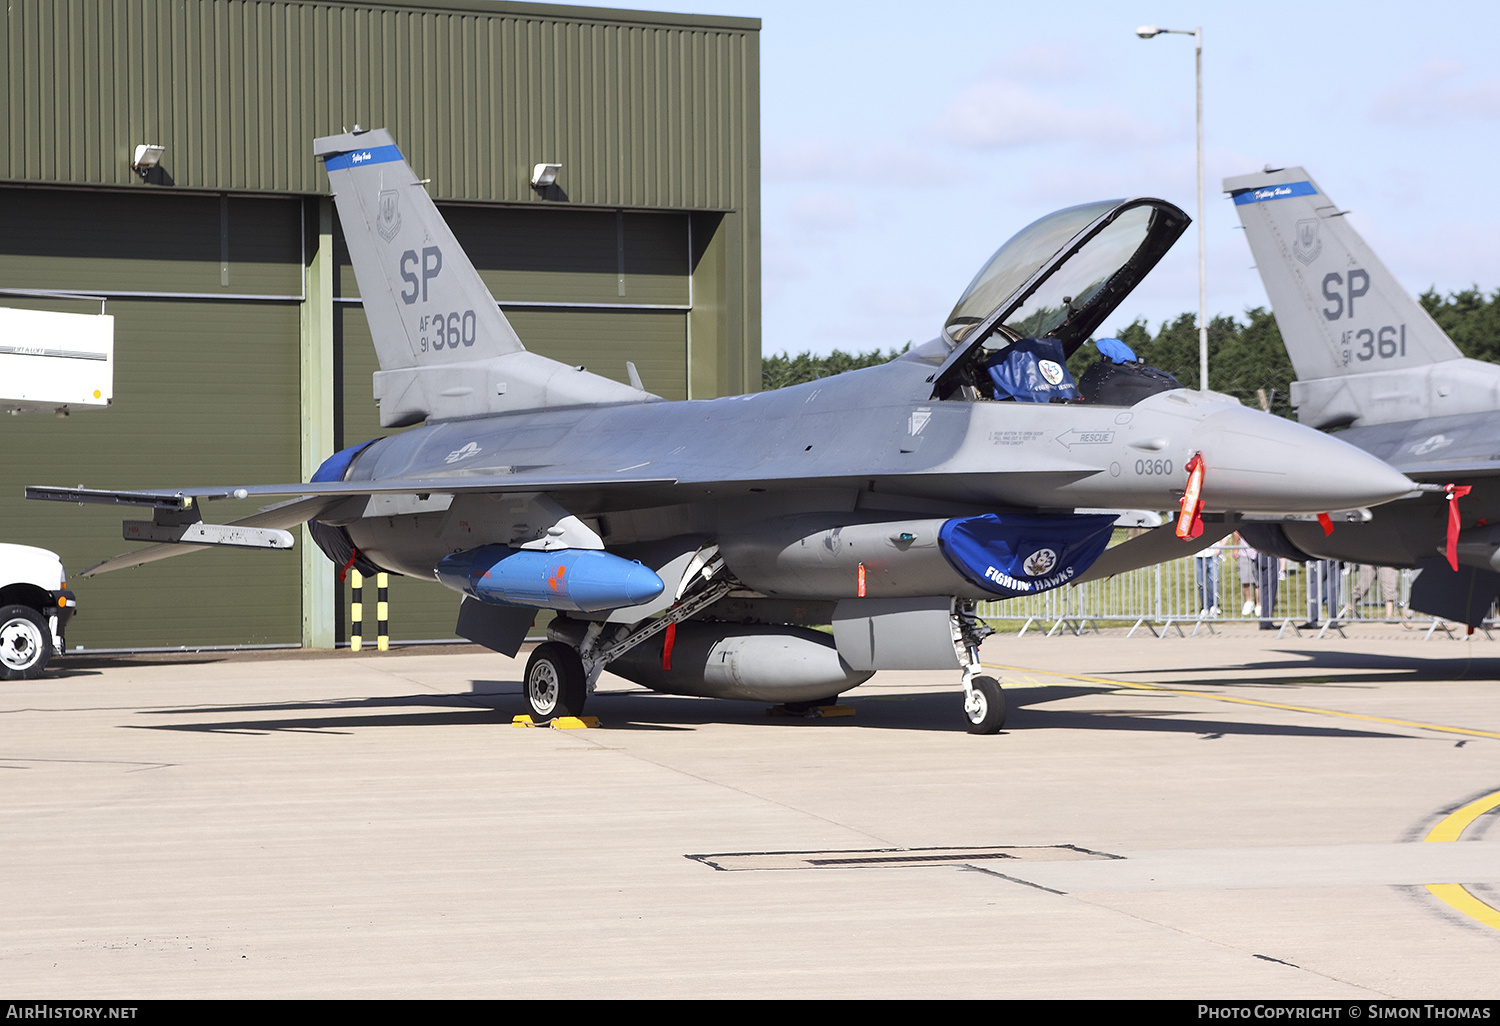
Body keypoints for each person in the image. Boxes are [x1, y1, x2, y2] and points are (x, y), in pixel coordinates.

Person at [1194, 538, 1223, 617]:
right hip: (1199, 554)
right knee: (1201, 583)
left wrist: (1219, 548)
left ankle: (1214, 605)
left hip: (1212, 554)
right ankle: (1204, 606)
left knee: (1214, 581)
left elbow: (1227, 535)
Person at [1235, 532, 1259, 616]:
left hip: (1259, 551)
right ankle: (1248, 602)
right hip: (1244, 551)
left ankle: (1258, 604)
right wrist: (1235, 547)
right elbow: (1236, 532)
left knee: (1258, 580)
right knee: (1244, 577)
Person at [1257, 549, 1281, 629]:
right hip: (1269, 554)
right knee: (1269, 590)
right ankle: (1266, 620)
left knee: (1266, 589)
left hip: (1262, 554)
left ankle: (1266, 619)